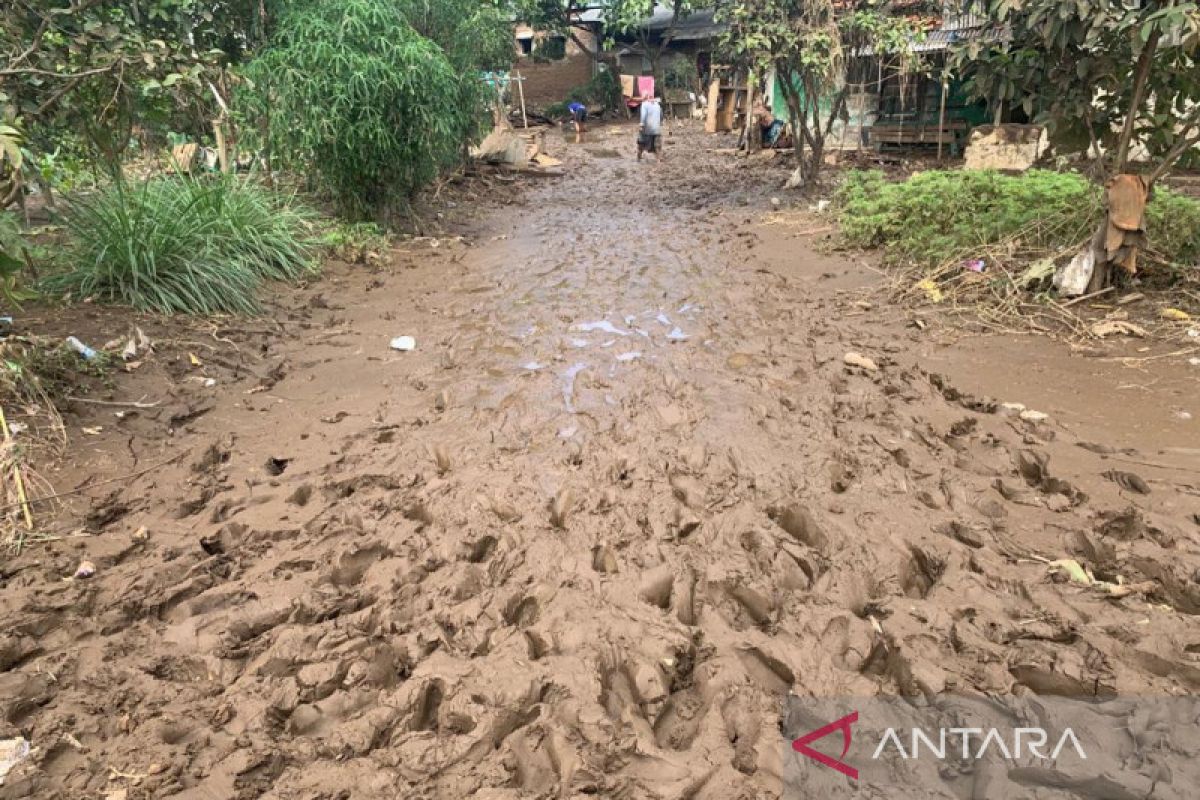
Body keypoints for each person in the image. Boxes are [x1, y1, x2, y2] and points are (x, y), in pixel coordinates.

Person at [638, 95, 663, 161]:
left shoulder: (644, 105)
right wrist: (660, 123)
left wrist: (641, 126)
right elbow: (661, 116)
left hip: (647, 129)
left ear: (644, 98)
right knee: (657, 146)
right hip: (657, 129)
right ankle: (658, 160)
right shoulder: (657, 105)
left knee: (641, 144)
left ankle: (638, 158)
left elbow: (643, 116)